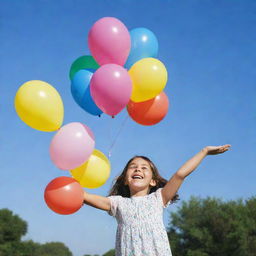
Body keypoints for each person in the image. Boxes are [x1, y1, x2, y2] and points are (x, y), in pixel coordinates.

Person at [83, 144, 231, 256]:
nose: (138, 170)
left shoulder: (158, 198)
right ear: (125, 181)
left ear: (153, 181)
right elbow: (84, 196)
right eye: (133, 167)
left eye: (144, 168)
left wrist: (204, 151)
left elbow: (180, 175)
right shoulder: (118, 203)